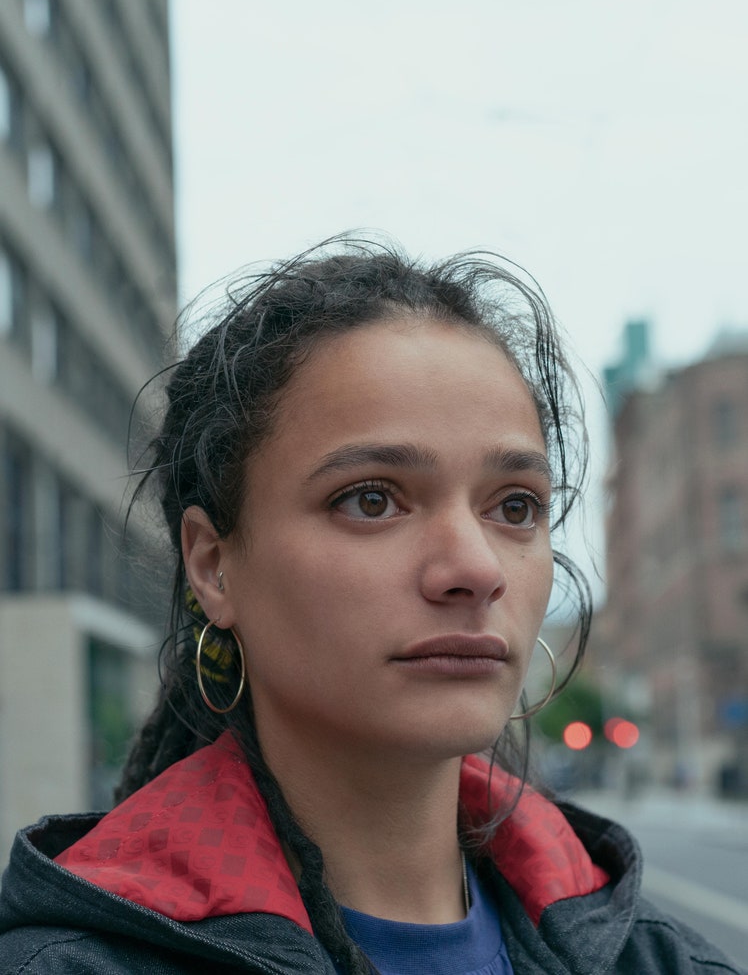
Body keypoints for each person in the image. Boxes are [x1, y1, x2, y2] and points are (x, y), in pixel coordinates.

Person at [0, 239, 742, 975]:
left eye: (515, 505)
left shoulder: (658, 957)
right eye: (372, 499)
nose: (477, 568)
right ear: (212, 563)